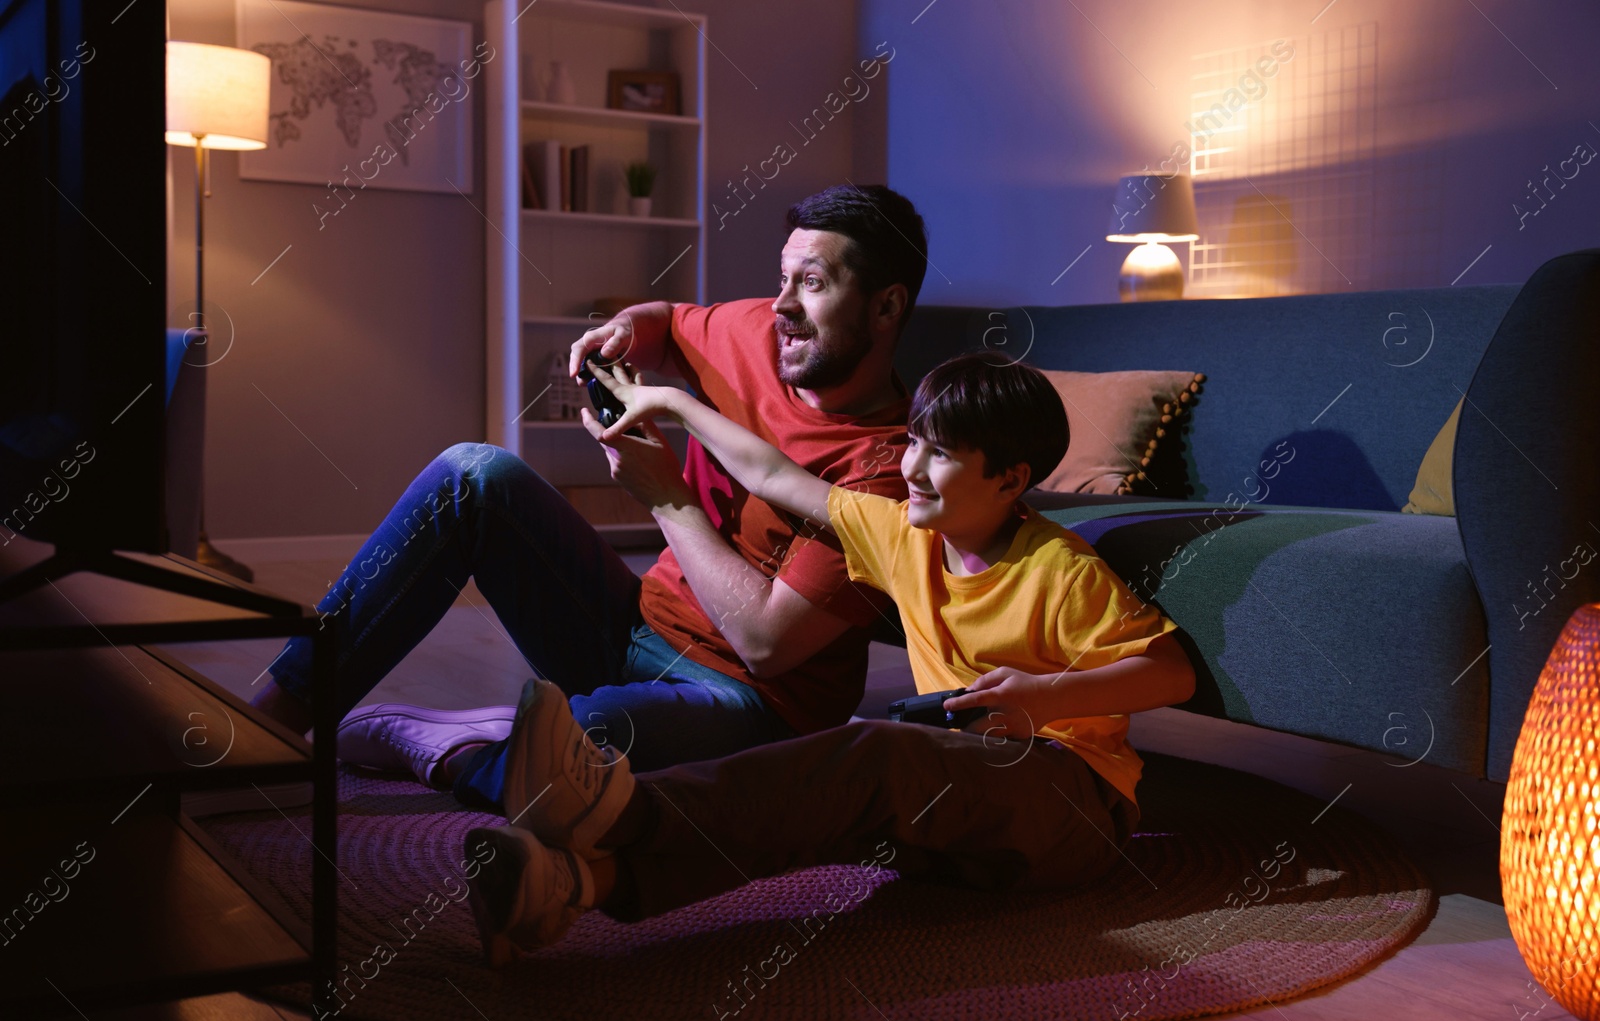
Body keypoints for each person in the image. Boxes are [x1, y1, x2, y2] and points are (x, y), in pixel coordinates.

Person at [461, 352, 1197, 966]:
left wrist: (1042, 699)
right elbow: (773, 474)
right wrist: (673, 404)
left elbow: (1171, 672)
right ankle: (573, 883)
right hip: (967, 797)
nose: (910, 465)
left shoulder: (1060, 570)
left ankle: (617, 806)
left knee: (871, 752)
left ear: (1009, 478)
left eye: (940, 452)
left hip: (1076, 808)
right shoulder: (905, 533)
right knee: (830, 805)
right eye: (913, 439)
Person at [247, 185, 928, 811]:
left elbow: (766, 644)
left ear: (886, 305)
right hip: (634, 623)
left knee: (582, 746)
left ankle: (461, 749)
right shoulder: (759, 330)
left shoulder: (889, 470)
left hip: (752, 701)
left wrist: (667, 496)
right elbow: (668, 322)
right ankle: (264, 725)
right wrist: (625, 331)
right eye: (782, 279)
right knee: (471, 474)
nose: (781, 306)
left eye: (811, 284)